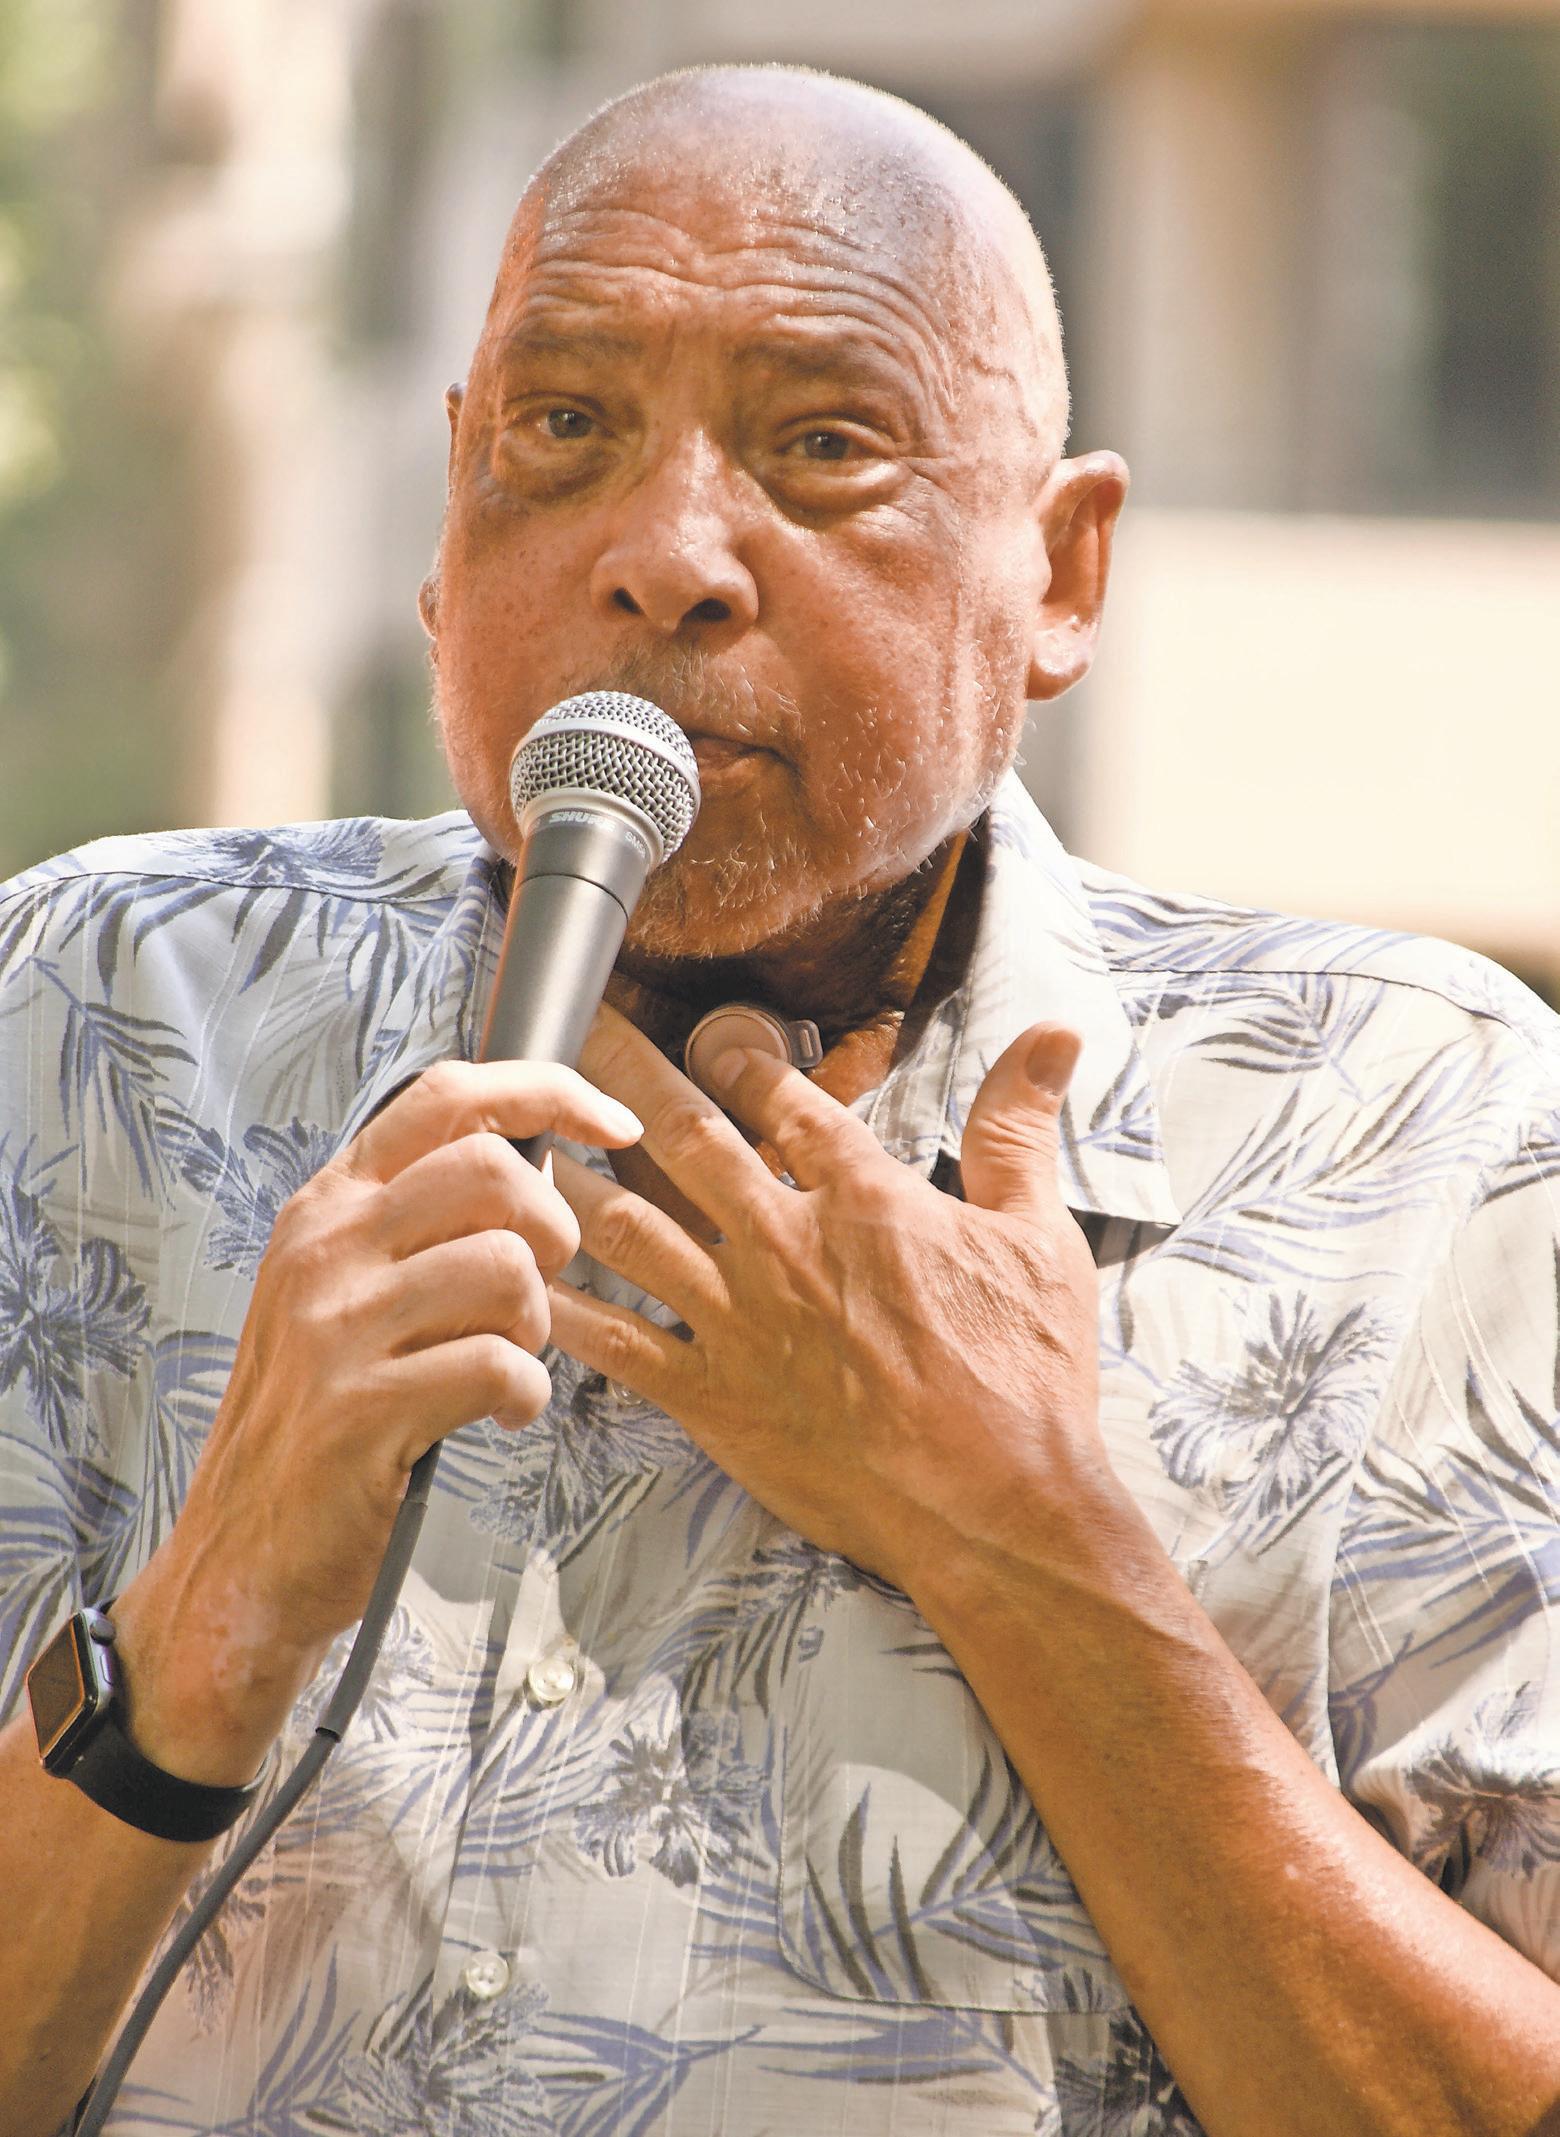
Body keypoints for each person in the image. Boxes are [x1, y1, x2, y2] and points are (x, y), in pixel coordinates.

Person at [1, 62, 1557, 2137]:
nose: (665, 558)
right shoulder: (91, 1018)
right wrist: (206, 1614)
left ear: (1062, 574)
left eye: (824, 445)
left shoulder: (1427, 1136)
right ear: (446, 523)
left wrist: (1025, 1539)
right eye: (565, 430)